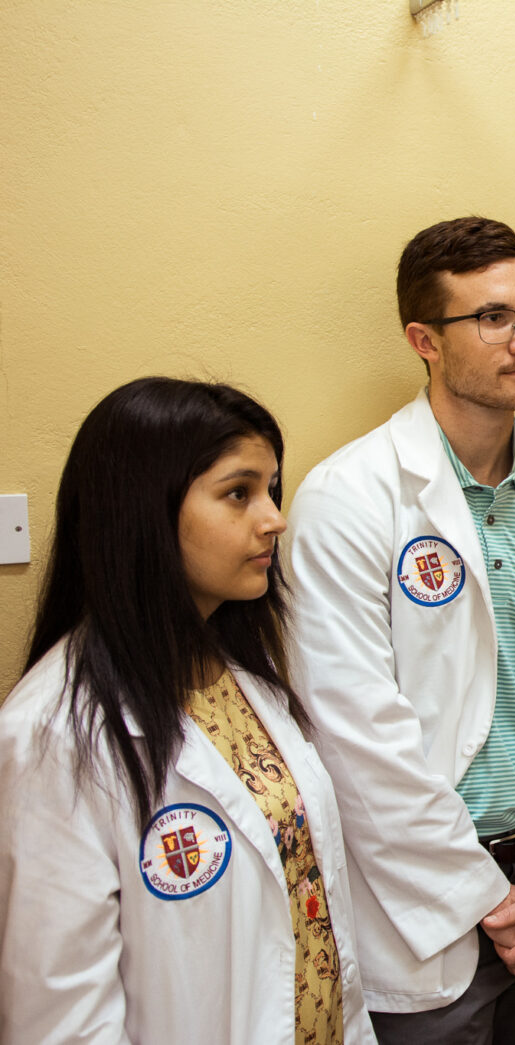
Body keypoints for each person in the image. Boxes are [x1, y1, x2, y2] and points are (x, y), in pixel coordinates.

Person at [287, 217, 515, 1045]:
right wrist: (485, 897)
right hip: (425, 900)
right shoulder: (348, 499)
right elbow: (356, 735)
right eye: (492, 318)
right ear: (424, 340)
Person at [0, 377, 375, 1044]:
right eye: (239, 493)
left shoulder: (243, 675)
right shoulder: (52, 734)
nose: (274, 518)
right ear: (143, 509)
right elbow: (60, 1017)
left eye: (271, 489)